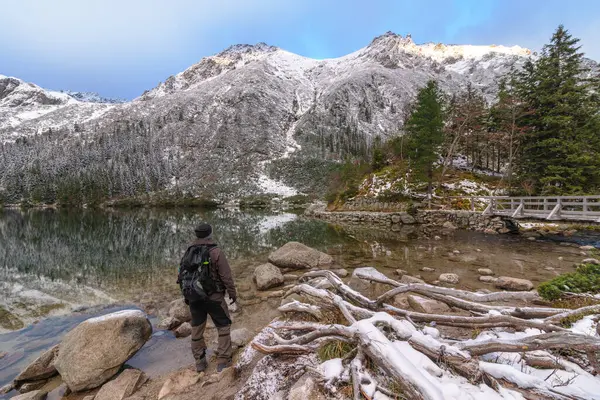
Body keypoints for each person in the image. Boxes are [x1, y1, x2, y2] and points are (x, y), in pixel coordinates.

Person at [178, 223, 237, 373]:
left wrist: (187, 296)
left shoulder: (189, 251)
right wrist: (232, 293)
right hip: (214, 297)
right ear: (210, 233)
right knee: (223, 325)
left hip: (194, 297)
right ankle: (223, 361)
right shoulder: (216, 251)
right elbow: (226, 277)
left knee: (197, 329)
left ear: (197, 235)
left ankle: (200, 363)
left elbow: (181, 275)